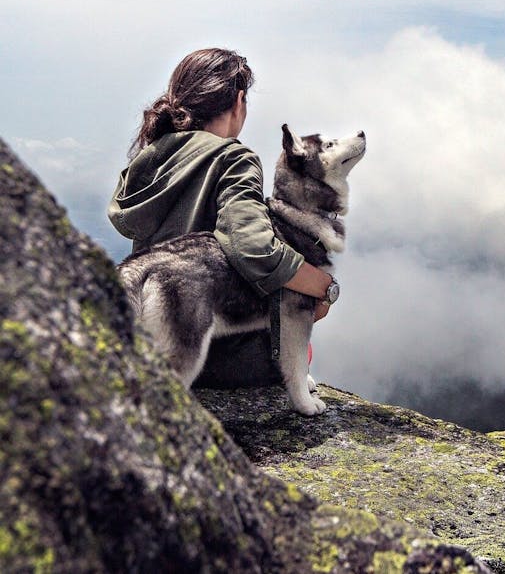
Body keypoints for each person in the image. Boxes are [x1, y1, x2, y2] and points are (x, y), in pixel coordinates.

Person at [108, 48, 336, 386]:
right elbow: (252, 245)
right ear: (239, 100)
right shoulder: (233, 158)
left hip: (152, 344)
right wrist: (323, 286)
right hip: (216, 357)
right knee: (300, 350)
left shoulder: (150, 158)